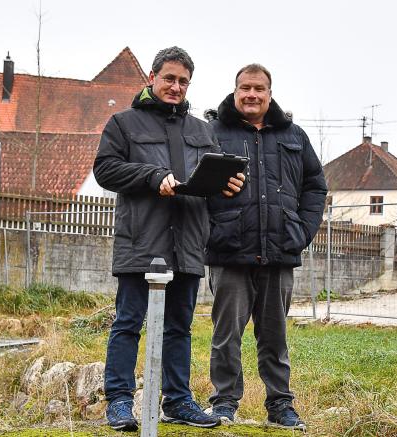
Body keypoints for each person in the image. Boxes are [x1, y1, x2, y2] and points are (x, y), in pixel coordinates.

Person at [93, 46, 243, 431]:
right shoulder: (123, 124)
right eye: (170, 79)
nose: (176, 87)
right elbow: (105, 170)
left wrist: (229, 184)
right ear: (152, 79)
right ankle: (120, 402)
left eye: (183, 81)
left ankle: (177, 401)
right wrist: (151, 176)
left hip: (188, 243)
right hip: (141, 241)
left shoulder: (201, 130)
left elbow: (208, 181)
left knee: (179, 325)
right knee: (128, 322)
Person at [204, 63, 327, 429]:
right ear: (235, 90)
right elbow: (195, 185)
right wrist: (211, 230)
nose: (252, 95)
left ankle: (280, 404)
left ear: (269, 93)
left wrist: (301, 231)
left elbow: (315, 186)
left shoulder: (294, 136)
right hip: (229, 252)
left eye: (259, 88)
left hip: (278, 252)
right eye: (245, 88)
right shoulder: (212, 133)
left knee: (274, 336)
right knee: (226, 335)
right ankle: (224, 402)